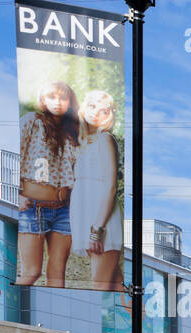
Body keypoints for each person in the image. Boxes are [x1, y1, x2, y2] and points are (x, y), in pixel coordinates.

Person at [17, 81, 79, 288]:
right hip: (33, 206)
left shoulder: (73, 132)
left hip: (64, 209)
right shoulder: (32, 121)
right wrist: (19, 193)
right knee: (32, 272)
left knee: (58, 274)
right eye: (52, 97)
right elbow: (19, 153)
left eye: (63, 97)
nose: (57, 102)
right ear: (42, 100)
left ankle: (55, 321)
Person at [70, 90, 123, 291]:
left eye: (103, 110)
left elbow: (110, 186)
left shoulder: (104, 139)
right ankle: (144, 320)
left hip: (101, 221)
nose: (95, 113)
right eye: (92, 106)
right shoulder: (85, 142)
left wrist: (96, 231)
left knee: (99, 286)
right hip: (88, 215)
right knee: (114, 285)